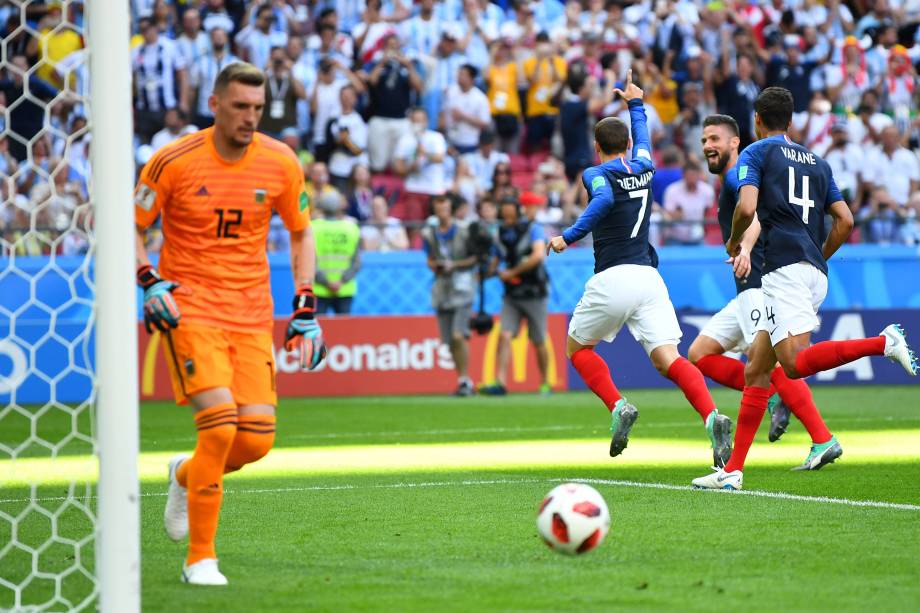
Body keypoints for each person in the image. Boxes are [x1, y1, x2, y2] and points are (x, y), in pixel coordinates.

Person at [135, 63, 326, 585]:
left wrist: (304, 305)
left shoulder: (281, 162)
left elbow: (302, 232)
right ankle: (201, 557)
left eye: (258, 109)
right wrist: (148, 279)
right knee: (219, 422)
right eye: (240, 107)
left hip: (251, 313)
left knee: (256, 440)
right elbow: (130, 225)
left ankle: (183, 474)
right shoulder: (172, 160)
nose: (250, 118)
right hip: (191, 307)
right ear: (215, 104)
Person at [692, 88, 917, 491]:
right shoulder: (818, 162)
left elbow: (746, 209)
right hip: (814, 270)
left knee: (792, 365)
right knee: (758, 370)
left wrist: (733, 241)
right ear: (791, 121)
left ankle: (882, 343)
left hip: (782, 270)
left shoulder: (756, 154)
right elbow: (845, 220)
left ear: (757, 120)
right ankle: (733, 471)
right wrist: (820, 255)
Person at [547, 71, 731, 467]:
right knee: (670, 358)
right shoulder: (644, 165)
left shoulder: (596, 175)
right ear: (627, 145)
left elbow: (599, 204)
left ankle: (617, 406)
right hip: (649, 278)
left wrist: (569, 235)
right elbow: (644, 139)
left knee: (577, 349)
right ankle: (712, 416)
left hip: (614, 276)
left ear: (597, 148)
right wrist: (636, 103)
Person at [690, 113, 839, 462]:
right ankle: (780, 401)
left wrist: (741, 247)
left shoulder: (739, 176)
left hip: (761, 284)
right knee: (699, 354)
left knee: (769, 365)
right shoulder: (736, 177)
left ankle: (820, 437)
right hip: (747, 289)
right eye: (704, 140)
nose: (708, 146)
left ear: (734, 142)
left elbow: (752, 214)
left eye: (715, 139)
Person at [480, 197, 551, 396]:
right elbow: (495, 260)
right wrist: (485, 272)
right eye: (505, 215)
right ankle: (500, 383)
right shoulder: (499, 233)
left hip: (534, 293)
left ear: (518, 212)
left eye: (511, 214)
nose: (508, 218)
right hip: (511, 295)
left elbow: (538, 255)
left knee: (538, 340)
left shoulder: (533, 229)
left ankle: (545, 382)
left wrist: (512, 272)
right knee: (504, 335)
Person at [422, 194, 478, 397]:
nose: (441, 213)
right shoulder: (429, 232)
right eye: (438, 209)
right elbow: (428, 258)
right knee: (448, 341)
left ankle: (465, 379)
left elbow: (474, 258)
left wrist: (454, 265)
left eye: (445, 208)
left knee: (458, 335)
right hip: (442, 288)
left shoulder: (464, 230)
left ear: (451, 209)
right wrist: (435, 266)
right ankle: (463, 380)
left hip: (463, 287)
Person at [313, 190, 361, 315]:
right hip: (345, 288)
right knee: (344, 331)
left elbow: (309, 261)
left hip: (319, 289)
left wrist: (325, 282)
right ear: (340, 207)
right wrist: (341, 281)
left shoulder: (313, 227)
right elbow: (356, 262)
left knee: (318, 331)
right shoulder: (352, 228)